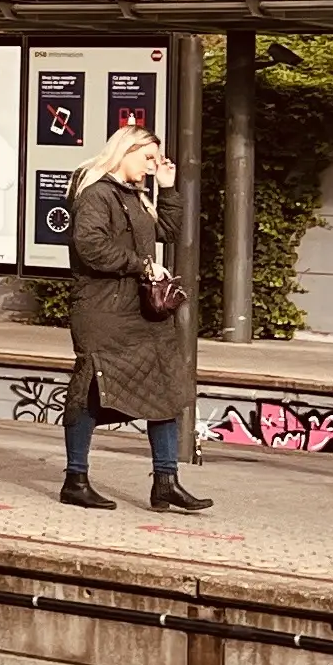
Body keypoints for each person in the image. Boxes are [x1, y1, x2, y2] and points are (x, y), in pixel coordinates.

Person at [62, 122, 210, 514]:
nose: (150, 166)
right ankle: (75, 480)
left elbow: (170, 231)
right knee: (92, 391)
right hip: (104, 313)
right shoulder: (96, 194)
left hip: (140, 313)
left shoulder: (136, 196)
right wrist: (143, 266)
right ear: (124, 152)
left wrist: (169, 188)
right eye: (147, 158)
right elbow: (91, 248)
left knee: (162, 387)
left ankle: (166, 482)